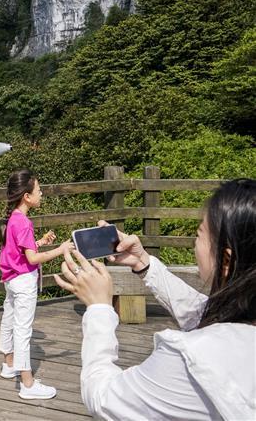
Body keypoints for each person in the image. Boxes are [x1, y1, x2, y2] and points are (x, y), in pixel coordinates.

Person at [54, 178, 256, 421]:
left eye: (199, 234)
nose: (195, 242)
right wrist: (144, 265)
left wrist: (99, 308)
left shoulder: (190, 361)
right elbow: (207, 315)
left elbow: (103, 398)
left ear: (225, 260)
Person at [0, 169, 74, 400]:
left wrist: (40, 242)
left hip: (11, 280)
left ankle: (9, 364)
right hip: (23, 282)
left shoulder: (14, 219)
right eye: (39, 190)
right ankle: (28, 384)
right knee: (23, 330)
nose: (42, 194)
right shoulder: (24, 222)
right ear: (27, 196)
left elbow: (19, 251)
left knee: (8, 320)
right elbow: (31, 259)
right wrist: (59, 250)